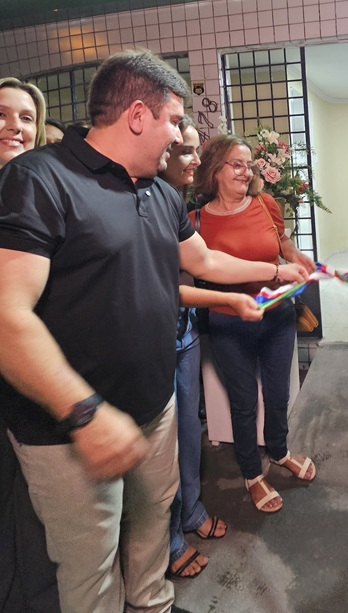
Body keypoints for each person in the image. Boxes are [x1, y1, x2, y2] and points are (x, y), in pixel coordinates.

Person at [0, 49, 308, 613]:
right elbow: (7, 316)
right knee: (91, 565)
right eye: (174, 121)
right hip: (67, 429)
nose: (181, 137)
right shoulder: (40, 179)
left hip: (154, 405)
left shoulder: (161, 193)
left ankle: (153, 604)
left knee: (150, 530)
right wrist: (85, 413)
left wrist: (274, 270)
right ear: (138, 115)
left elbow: (204, 262)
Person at [191, 134, 317, 514]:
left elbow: (282, 243)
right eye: (237, 164)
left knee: (278, 395)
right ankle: (251, 473)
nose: (246, 172)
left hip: (276, 315)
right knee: (243, 403)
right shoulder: (196, 222)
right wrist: (275, 270)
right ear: (215, 170)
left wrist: (296, 256)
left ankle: (279, 451)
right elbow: (204, 270)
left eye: (250, 165)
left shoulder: (265, 204)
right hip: (229, 322)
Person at [159, 115, 263, 579]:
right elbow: (167, 286)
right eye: (186, 150)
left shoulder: (171, 201)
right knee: (159, 448)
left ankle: (191, 511)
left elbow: (205, 262)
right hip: (153, 338)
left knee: (187, 432)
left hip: (184, 334)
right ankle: (169, 539)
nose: (196, 160)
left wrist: (276, 270)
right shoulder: (146, 200)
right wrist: (230, 300)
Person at [0, 76, 60, 613]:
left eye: (25, 117)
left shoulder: (36, 190)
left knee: (36, 505)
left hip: (30, 374)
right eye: (1, 114)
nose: (14, 126)